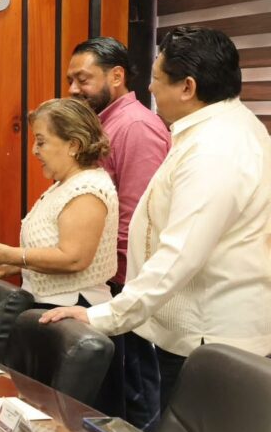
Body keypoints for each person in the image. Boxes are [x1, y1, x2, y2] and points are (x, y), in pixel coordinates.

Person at [41, 26, 271, 409]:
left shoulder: (216, 148)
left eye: (157, 79)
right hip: (197, 333)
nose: (150, 89)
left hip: (209, 341)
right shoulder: (214, 130)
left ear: (188, 87)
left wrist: (104, 316)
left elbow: (179, 254)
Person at [0, 98, 121, 415]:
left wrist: (13, 255)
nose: (34, 150)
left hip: (75, 314)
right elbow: (52, 250)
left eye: (41, 141)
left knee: (63, 421)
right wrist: (8, 266)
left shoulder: (87, 189)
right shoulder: (63, 186)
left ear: (73, 144)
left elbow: (74, 258)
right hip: (49, 311)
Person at [67, 36, 170, 432]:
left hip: (128, 286)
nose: (74, 89)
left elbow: (138, 219)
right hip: (111, 287)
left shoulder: (136, 126)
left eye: (83, 79)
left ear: (116, 76)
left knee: (137, 402)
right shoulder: (105, 124)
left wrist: (118, 285)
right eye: (71, 80)